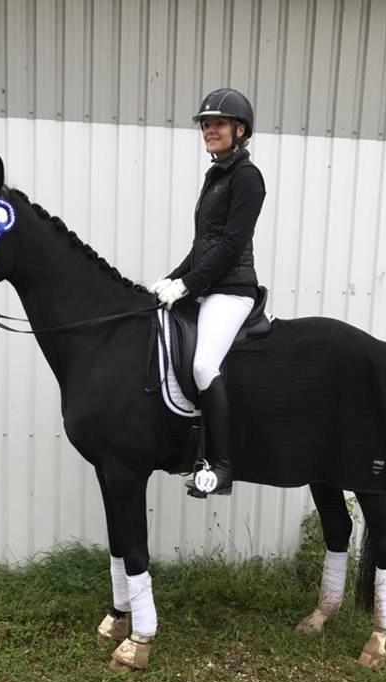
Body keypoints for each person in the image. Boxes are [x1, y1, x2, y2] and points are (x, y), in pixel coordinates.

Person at [150, 88, 266, 496]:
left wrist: (187, 285)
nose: (209, 130)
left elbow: (230, 246)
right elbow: (203, 245)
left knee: (203, 366)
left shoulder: (247, 177)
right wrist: (169, 279)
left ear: (239, 130)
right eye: (205, 124)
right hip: (208, 287)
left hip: (232, 291)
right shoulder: (215, 175)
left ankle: (222, 467)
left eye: (217, 124)